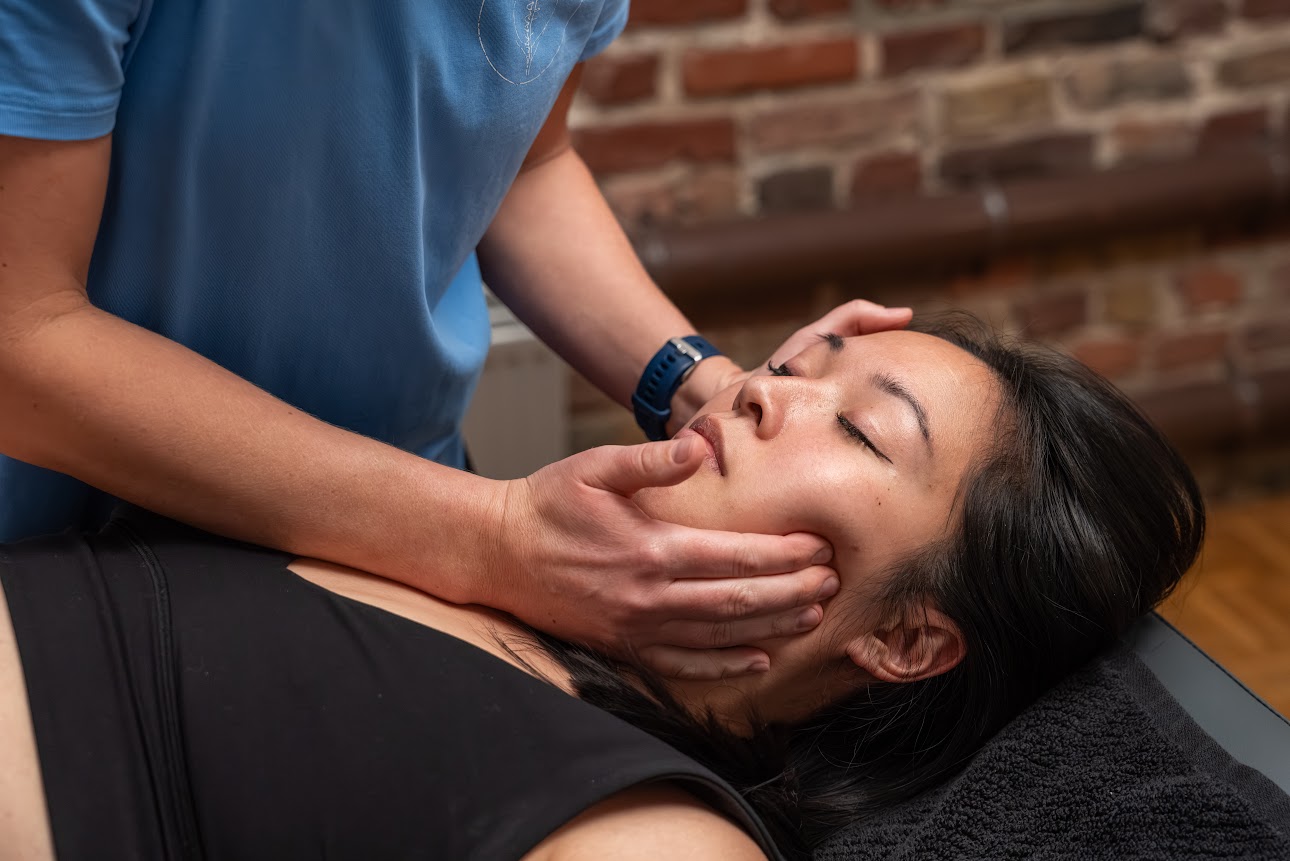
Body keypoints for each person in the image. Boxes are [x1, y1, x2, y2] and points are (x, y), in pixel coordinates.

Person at [0, 319, 1204, 861]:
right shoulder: (458, 554)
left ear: (903, 637)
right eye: (797, 362)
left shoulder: (659, 838)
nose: (754, 387)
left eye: (860, 429)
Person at [0, 0, 915, 681]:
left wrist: (695, 385)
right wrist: (493, 539)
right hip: (64, 545)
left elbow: (526, 163)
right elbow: (21, 336)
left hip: (403, 527)